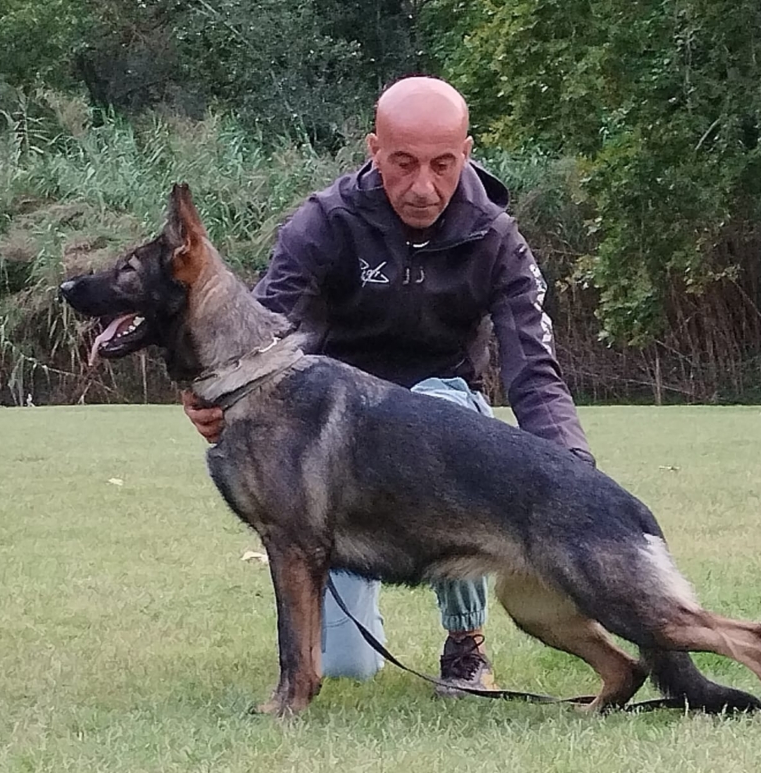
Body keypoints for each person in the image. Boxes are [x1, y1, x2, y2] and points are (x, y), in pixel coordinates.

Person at [182, 75, 595, 696]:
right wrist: (213, 399)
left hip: (442, 410)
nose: (422, 186)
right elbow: (258, 334)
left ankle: (465, 642)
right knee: (349, 667)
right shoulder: (323, 223)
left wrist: (574, 471)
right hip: (335, 429)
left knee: (444, 431)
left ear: (467, 152)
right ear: (375, 150)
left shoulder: (497, 238)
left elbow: (533, 370)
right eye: (402, 163)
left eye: (442, 165)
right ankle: (316, 656)